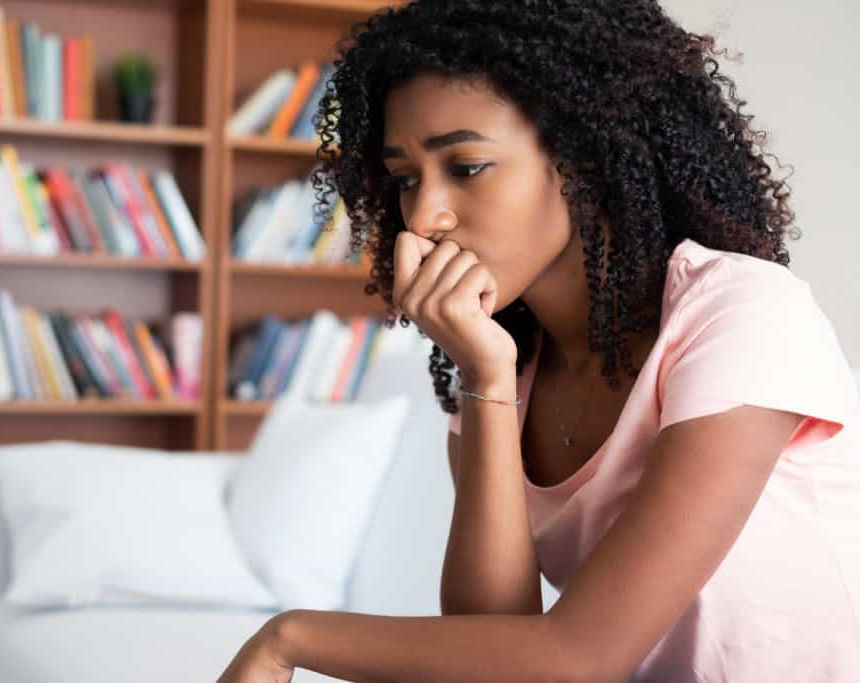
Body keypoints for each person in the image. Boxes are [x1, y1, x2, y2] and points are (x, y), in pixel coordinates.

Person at [218, 1, 860, 681]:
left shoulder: (740, 315)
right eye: (406, 179)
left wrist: (287, 637)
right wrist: (486, 380)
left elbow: (577, 659)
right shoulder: (493, 369)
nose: (425, 217)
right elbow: (490, 651)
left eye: (465, 167)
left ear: (583, 158)